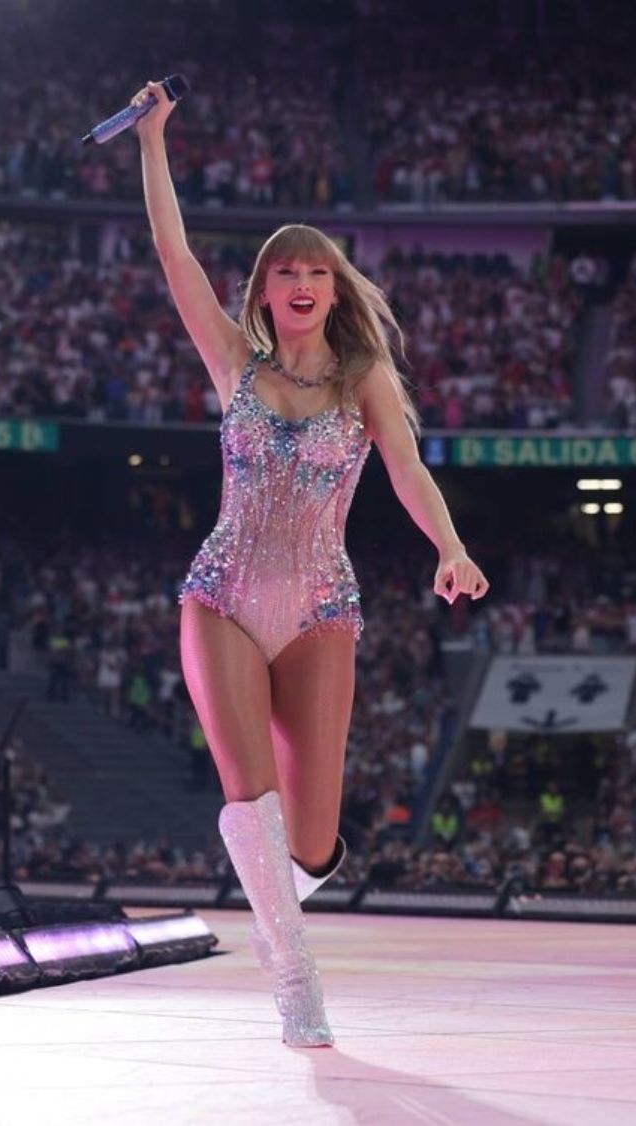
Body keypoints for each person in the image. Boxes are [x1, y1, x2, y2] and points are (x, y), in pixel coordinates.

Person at [131, 80, 489, 1047]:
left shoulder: (364, 376)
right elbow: (174, 254)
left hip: (323, 606)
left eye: (315, 271)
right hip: (223, 597)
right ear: (263, 292)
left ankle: (286, 883)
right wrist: (155, 138)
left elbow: (408, 470)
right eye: (281, 269)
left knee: (313, 841)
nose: (298, 281)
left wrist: (450, 547)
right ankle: (297, 988)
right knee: (247, 795)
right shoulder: (233, 363)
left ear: (332, 290)